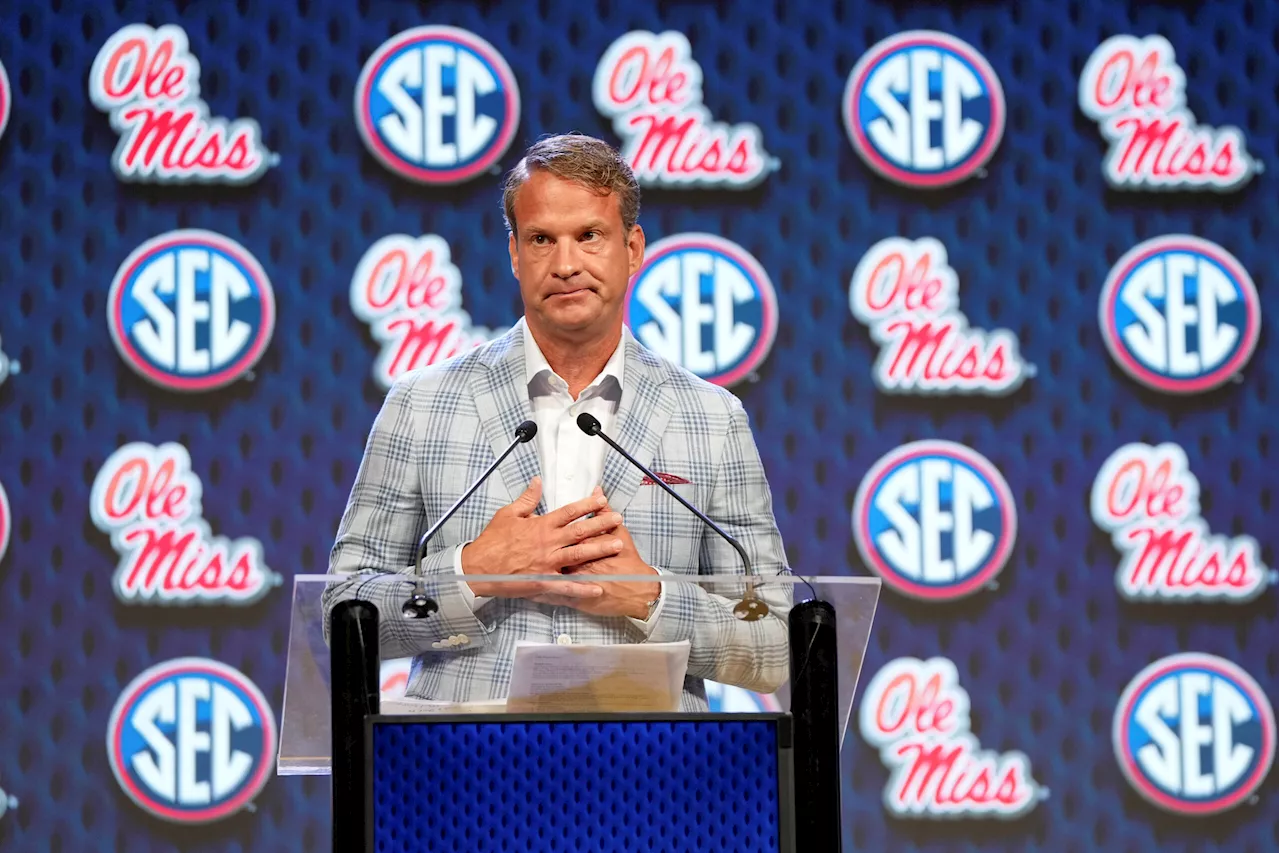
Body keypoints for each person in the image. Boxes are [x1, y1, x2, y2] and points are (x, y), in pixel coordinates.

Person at [324, 133, 792, 710]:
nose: (566, 264)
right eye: (542, 239)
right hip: (462, 777)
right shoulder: (421, 405)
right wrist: (473, 572)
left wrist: (650, 596)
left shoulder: (712, 418)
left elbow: (776, 645)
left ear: (634, 247)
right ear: (516, 254)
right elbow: (341, 614)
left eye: (589, 236)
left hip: (652, 776)